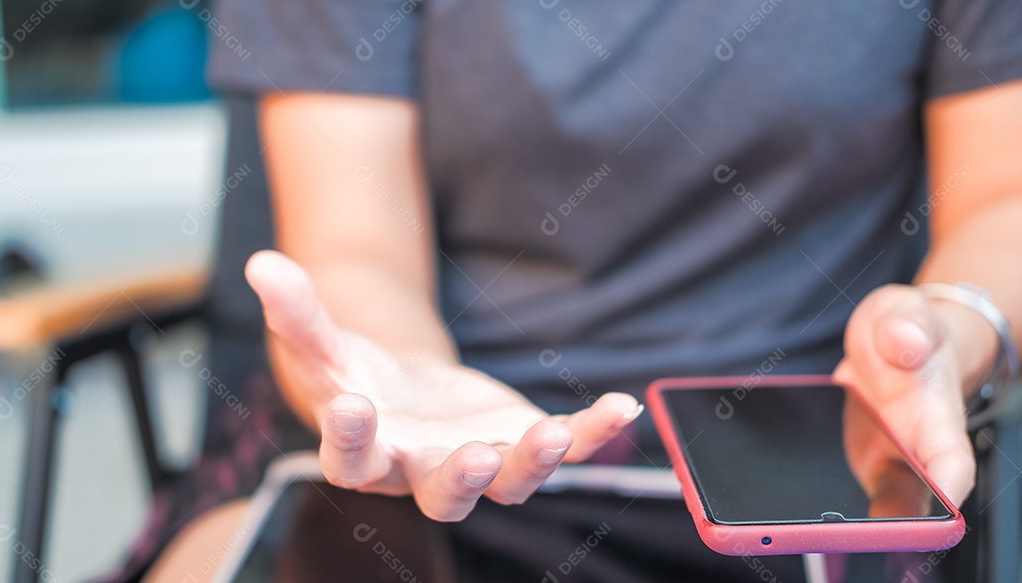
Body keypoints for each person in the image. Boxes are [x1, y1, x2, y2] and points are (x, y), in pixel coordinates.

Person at [146, 1, 1022, 581]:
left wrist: (956, 321)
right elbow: (356, 247)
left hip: (814, 450)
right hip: (443, 443)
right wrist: (394, 376)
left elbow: (1002, 199)